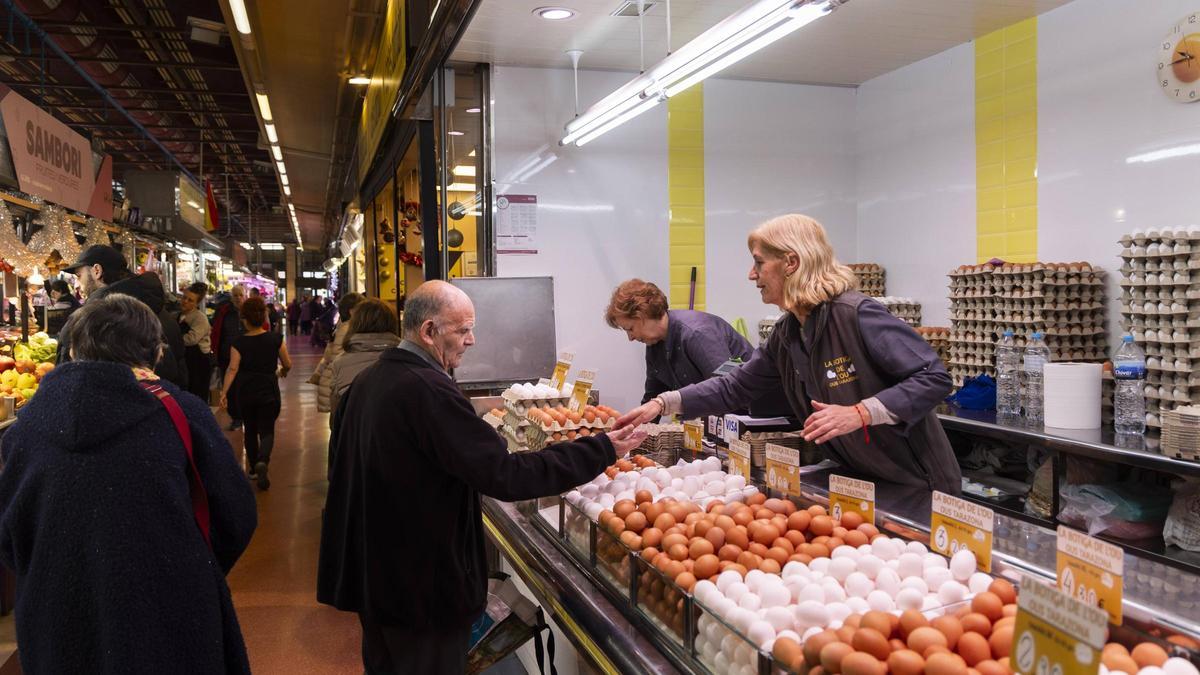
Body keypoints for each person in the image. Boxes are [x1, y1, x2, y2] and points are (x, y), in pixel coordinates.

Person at [318, 281, 646, 673]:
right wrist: (602, 448)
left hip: (377, 581)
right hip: (422, 590)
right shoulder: (429, 392)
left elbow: (338, 467)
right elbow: (506, 475)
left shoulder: (368, 383)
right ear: (428, 332)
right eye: (463, 330)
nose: (472, 340)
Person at [0, 294, 257, 673]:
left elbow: (10, 536)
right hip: (168, 610)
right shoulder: (181, 413)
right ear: (154, 353)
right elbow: (236, 515)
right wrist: (185, 562)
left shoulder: (26, 427)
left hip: (54, 616)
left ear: (73, 350)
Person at [617, 214, 961, 494]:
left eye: (758, 263)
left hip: (916, 483)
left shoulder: (855, 314)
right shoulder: (789, 332)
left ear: (791, 262)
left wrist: (861, 412)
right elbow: (733, 387)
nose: (752, 275)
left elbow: (933, 378)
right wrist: (663, 403)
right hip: (860, 477)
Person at [605, 279, 754, 404]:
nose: (630, 338)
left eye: (630, 329)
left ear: (643, 314)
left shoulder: (696, 333)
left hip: (750, 417)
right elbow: (653, 397)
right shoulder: (655, 344)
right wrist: (633, 428)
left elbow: (724, 386)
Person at [59, 245, 188, 389]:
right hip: (164, 400)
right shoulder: (150, 303)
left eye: (79, 276)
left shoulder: (103, 315)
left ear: (97, 271)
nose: (77, 284)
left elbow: (69, 361)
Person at [221, 296, 291, 490]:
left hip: (246, 391)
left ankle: (253, 468)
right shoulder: (276, 339)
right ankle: (263, 461)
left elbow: (232, 369)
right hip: (268, 389)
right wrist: (281, 372)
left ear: (244, 319)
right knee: (267, 429)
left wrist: (224, 392)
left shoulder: (238, 343)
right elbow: (287, 364)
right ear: (263, 317)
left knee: (250, 429)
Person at [329, 298, 400, 416]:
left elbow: (336, 416)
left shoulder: (340, 362)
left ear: (355, 323)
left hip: (355, 432)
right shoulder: (407, 358)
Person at [310, 292, 363, 419]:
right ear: (352, 311)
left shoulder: (340, 327)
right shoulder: (349, 330)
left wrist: (318, 374)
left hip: (335, 385)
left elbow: (328, 356)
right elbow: (337, 358)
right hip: (341, 387)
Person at [211, 284, 247, 430]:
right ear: (231, 297)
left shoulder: (249, 311)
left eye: (240, 295)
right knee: (231, 388)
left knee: (243, 386)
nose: (238, 298)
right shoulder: (224, 311)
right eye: (235, 295)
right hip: (226, 354)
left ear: (244, 296)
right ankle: (236, 417)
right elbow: (217, 331)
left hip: (245, 356)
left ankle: (245, 414)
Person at [180, 282, 214, 404]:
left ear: (196, 303)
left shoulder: (200, 318)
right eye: (184, 297)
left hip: (200, 363)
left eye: (190, 300)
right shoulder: (179, 315)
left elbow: (192, 339)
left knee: (197, 396)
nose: (185, 302)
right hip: (188, 361)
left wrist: (175, 340)